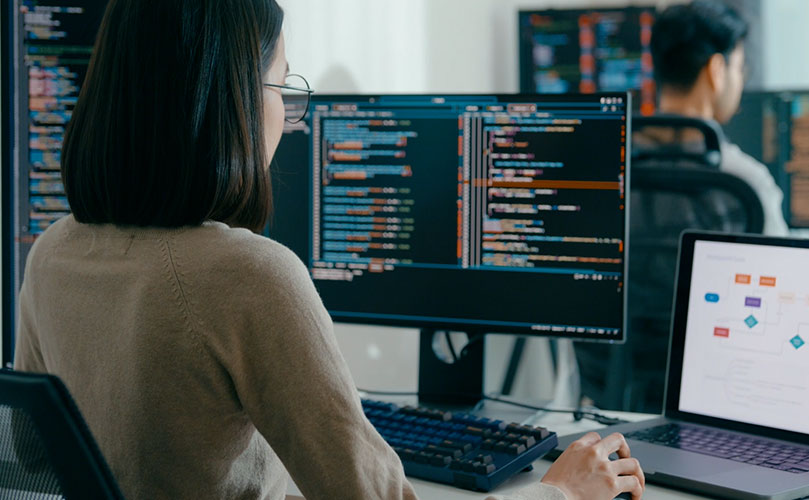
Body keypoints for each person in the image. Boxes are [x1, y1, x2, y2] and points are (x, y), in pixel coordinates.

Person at [13, 1, 645, 499]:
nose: (288, 117)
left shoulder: (51, 255)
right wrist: (560, 492)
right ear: (228, 101)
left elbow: (39, 467)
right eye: (280, 88)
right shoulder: (248, 275)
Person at [651, 0, 789, 236]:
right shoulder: (745, 183)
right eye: (738, 68)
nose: (740, 81)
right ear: (716, 71)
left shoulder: (615, 167)